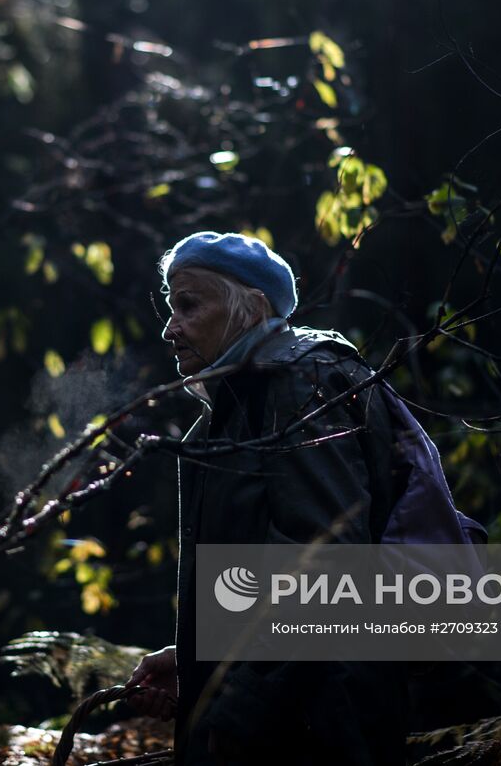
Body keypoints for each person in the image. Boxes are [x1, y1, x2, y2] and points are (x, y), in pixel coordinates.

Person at [125, 231, 440, 765]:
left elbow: (325, 563)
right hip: (281, 715)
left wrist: (241, 706)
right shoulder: (231, 411)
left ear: (250, 309)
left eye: (188, 305)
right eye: (170, 306)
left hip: (317, 725)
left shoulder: (301, 382)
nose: (169, 327)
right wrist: (197, 664)